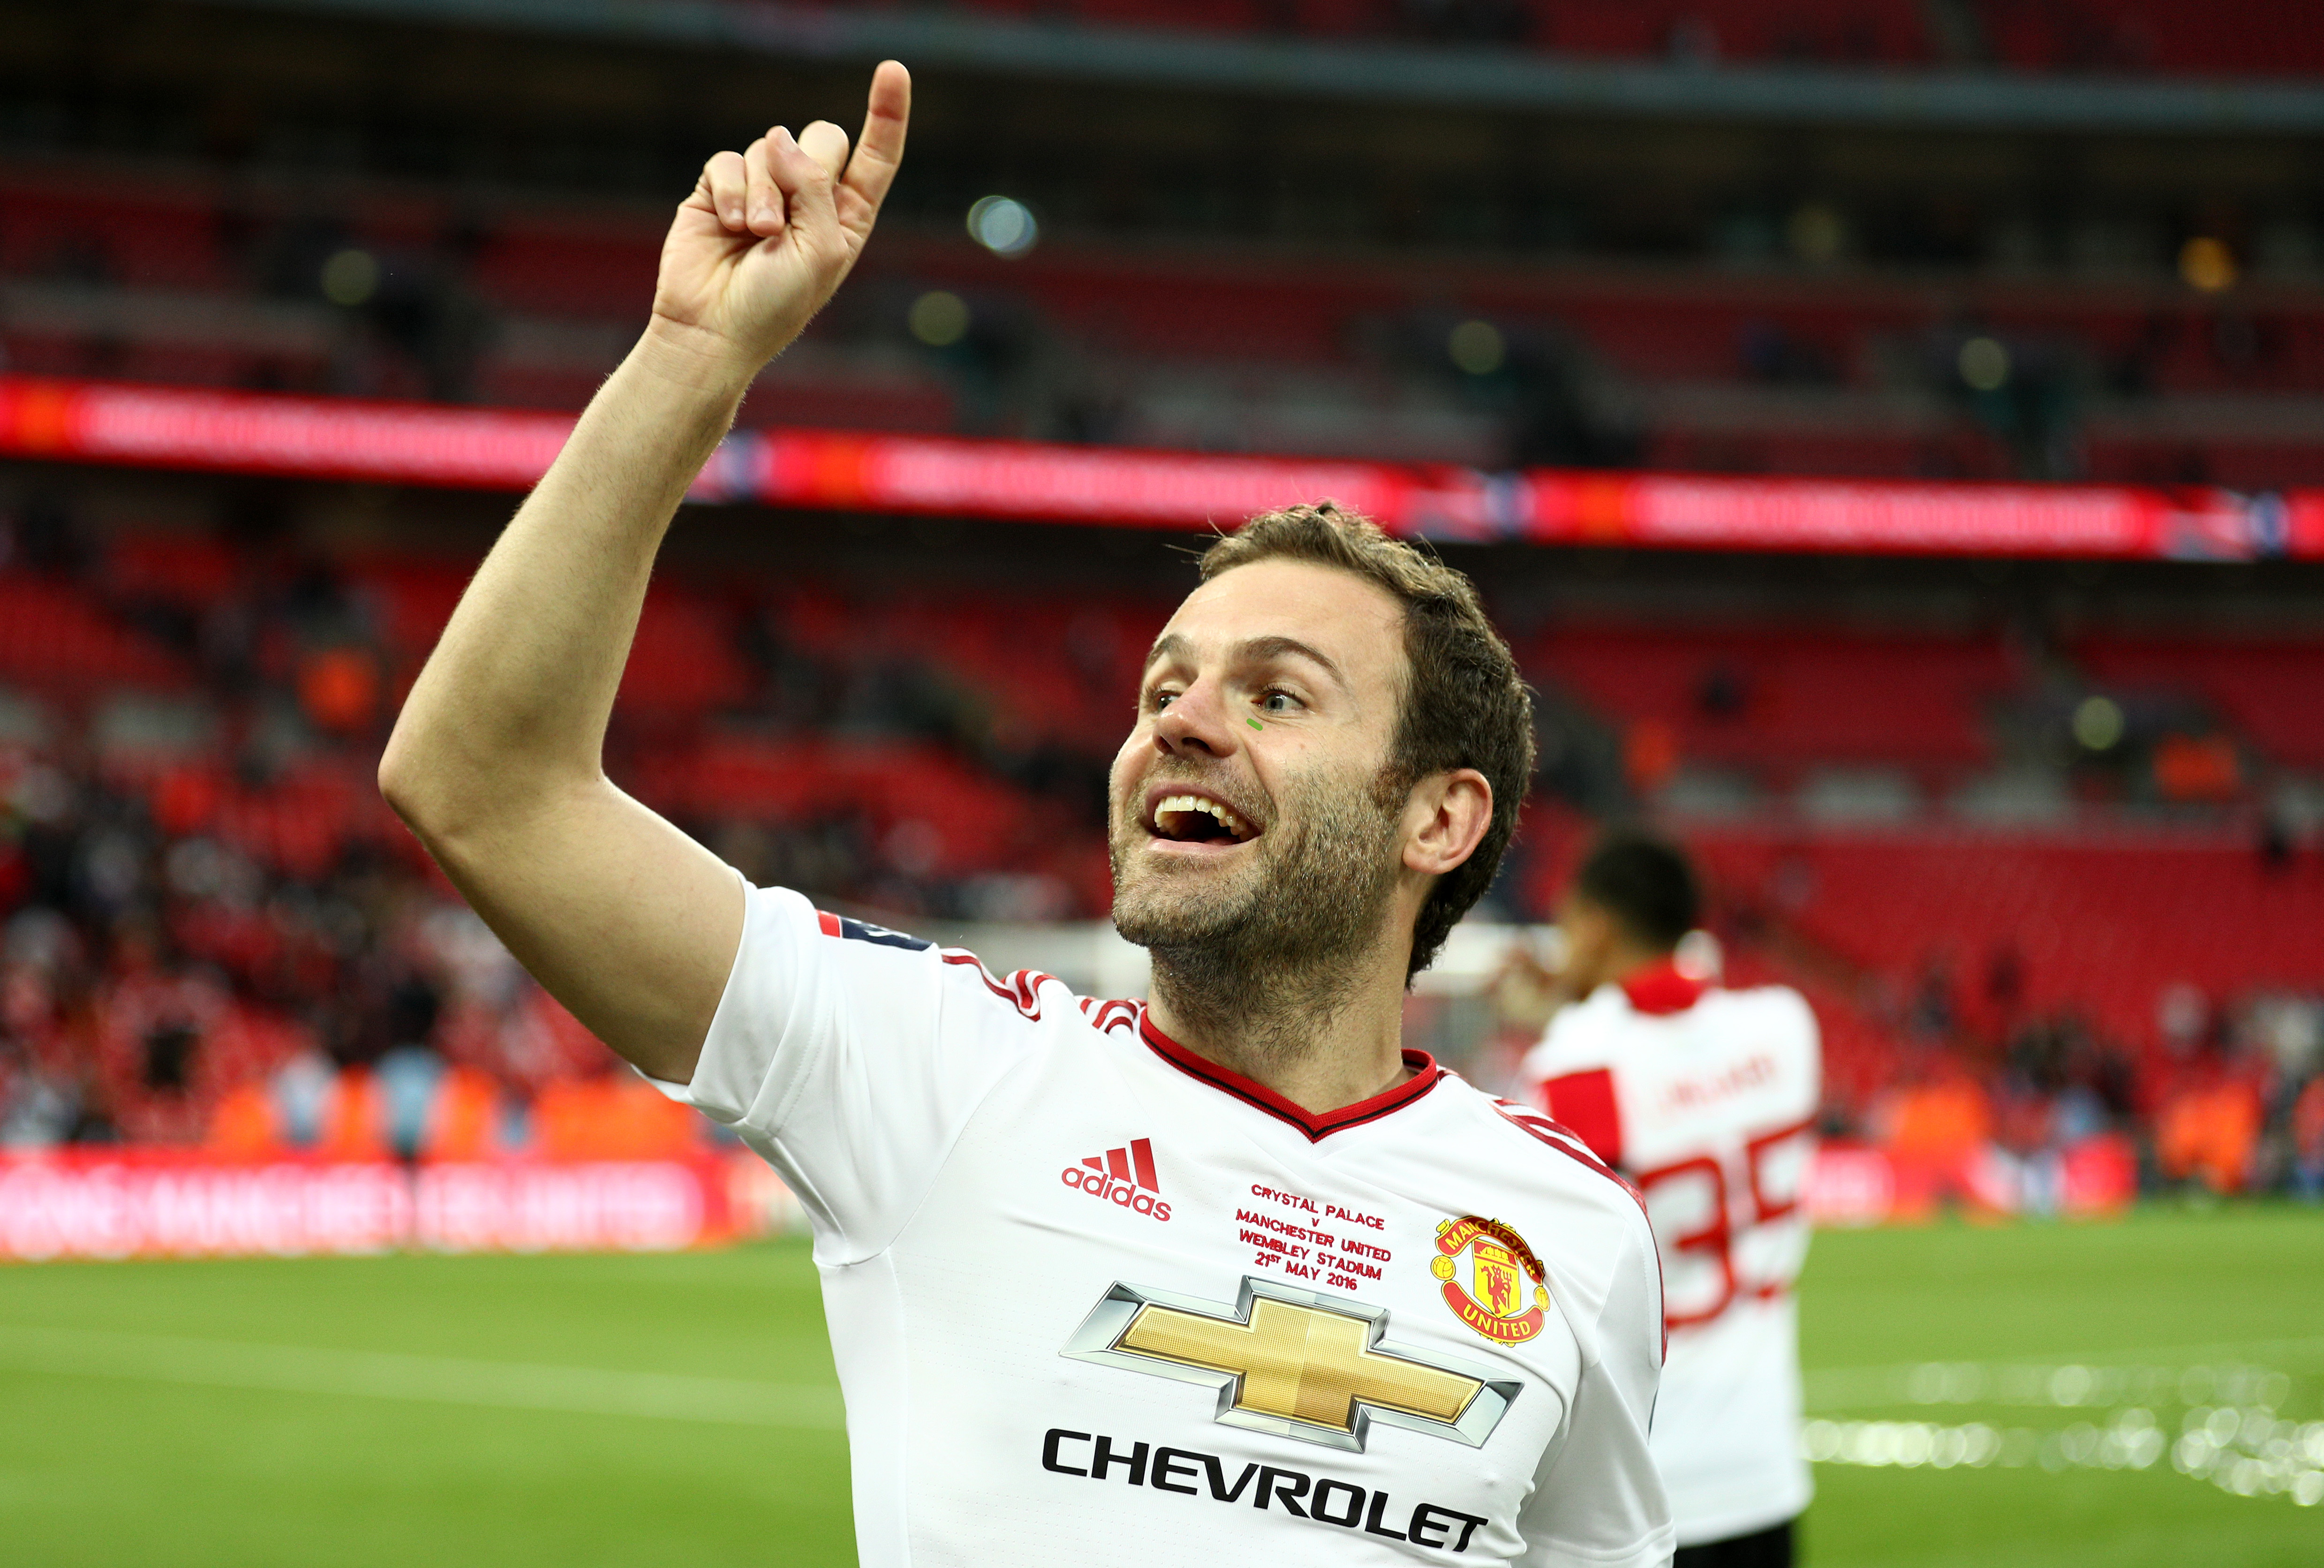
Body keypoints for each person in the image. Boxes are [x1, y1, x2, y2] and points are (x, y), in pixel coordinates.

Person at [380, 61, 1672, 1568]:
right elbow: (486, 786)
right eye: (1162, 686)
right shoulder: (944, 1074)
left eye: (1274, 696)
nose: (1176, 720)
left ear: (1440, 819)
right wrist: (688, 360)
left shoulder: (1573, 1235)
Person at [1513, 832, 1819, 1568]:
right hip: (1765, 1469)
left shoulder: (1574, 1066)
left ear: (1597, 926)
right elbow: (1686, 1008)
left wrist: (1558, 1007)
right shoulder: (1785, 1026)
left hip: (1642, 1487)